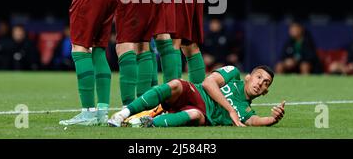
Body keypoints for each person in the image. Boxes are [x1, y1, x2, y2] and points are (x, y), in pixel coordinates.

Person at [108, 65, 286, 128]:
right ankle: (123, 114)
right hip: (197, 93)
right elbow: (209, 83)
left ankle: (144, 123)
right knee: (176, 84)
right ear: (248, 77)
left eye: (266, 83)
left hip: (202, 115)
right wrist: (230, 110)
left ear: (265, 92)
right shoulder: (233, 73)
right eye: (259, 77)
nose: (260, 83)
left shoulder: (246, 111)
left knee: (195, 115)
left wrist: (273, 119)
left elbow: (254, 121)